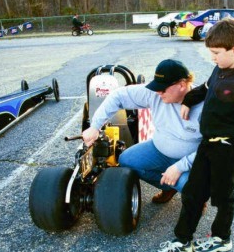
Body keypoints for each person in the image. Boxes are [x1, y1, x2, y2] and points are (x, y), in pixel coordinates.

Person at [152, 18, 234, 252]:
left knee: (223, 196)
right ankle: (182, 240)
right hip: (207, 144)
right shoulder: (220, 70)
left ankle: (221, 237)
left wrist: (228, 134)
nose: (213, 58)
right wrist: (188, 100)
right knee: (193, 193)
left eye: (216, 53)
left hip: (227, 147)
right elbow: (204, 88)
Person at [82, 59, 203, 204]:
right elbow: (117, 96)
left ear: (182, 85)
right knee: (127, 160)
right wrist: (95, 126)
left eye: (163, 88)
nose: (158, 92)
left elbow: (213, 146)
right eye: (156, 87)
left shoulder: (205, 106)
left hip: (193, 160)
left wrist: (179, 167)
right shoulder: (156, 94)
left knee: (192, 187)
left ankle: (195, 198)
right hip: (160, 149)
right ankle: (169, 187)